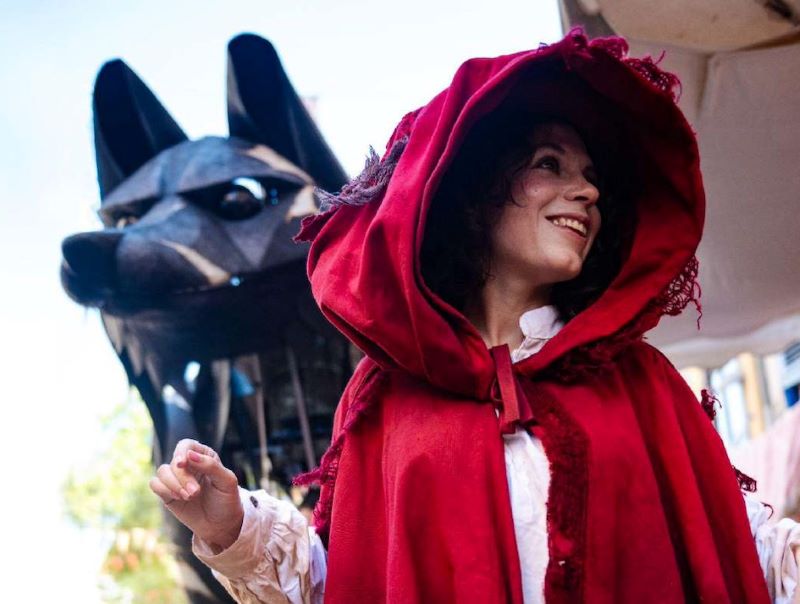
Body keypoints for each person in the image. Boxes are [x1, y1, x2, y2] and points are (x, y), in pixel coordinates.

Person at [150, 30, 800, 603]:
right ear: (472, 193)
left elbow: (739, 550)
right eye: (551, 164)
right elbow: (353, 580)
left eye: (593, 175)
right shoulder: (384, 403)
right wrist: (230, 527)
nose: (588, 191)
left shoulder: (642, 383)